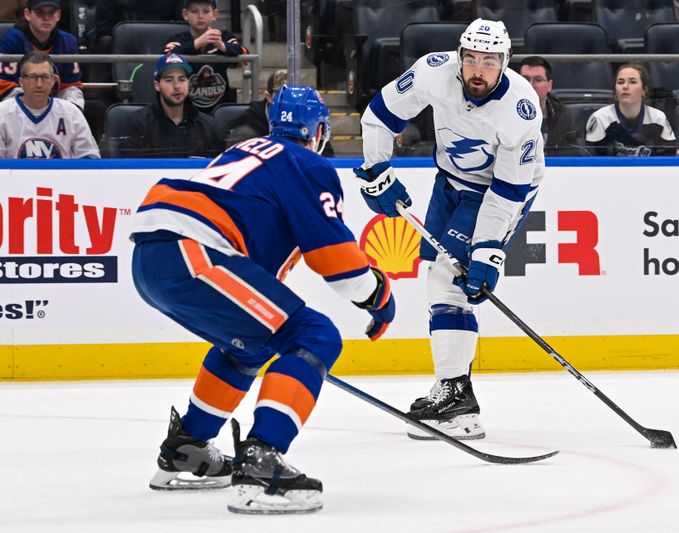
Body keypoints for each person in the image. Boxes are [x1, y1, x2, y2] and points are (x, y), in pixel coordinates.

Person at [131, 85, 395, 514]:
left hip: (152, 256)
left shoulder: (246, 151)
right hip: (193, 250)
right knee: (315, 334)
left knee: (251, 343)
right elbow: (340, 267)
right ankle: (261, 459)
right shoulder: (307, 163)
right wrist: (379, 296)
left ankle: (187, 450)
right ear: (320, 130)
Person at [355, 19, 544, 440]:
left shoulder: (520, 110)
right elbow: (378, 116)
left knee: (450, 282)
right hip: (448, 182)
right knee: (438, 283)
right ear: (460, 56)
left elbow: (507, 192)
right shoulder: (432, 72)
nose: (478, 69)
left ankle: (456, 399)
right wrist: (376, 168)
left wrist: (488, 249)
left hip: (498, 192)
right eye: (471, 58)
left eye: (489, 61)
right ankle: (456, 394)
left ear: (505, 63)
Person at [118, 52, 222, 158]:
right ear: (157, 85)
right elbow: (131, 169)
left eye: (182, 79)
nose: (176, 86)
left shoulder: (208, 125)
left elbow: (217, 167)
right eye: (169, 80)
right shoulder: (137, 123)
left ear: (188, 83)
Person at [0, 50, 99, 158]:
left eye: (45, 77)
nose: (39, 84)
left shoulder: (71, 113)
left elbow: (90, 158)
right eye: (33, 77)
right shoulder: (3, 113)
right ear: (22, 82)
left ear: (52, 81)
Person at [163, 0, 247, 113]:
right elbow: (167, 57)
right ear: (185, 14)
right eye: (194, 11)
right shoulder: (177, 39)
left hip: (219, 108)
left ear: (215, 14)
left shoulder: (224, 37)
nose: (200, 16)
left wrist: (223, 47)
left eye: (206, 11)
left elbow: (245, 55)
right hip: (186, 109)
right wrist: (198, 43)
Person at [0, 0, 84, 110]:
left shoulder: (68, 41)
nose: (46, 18)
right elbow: (3, 84)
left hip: (56, 107)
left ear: (58, 15)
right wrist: (34, 106)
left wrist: (72, 109)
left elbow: (72, 84)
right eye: (40, 13)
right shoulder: (12, 40)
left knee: (94, 108)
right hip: (18, 106)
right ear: (27, 14)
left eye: (51, 13)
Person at [585, 63, 677, 156]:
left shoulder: (658, 118)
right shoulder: (600, 118)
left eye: (632, 82)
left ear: (644, 90)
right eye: (620, 82)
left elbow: (669, 159)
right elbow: (593, 161)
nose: (625, 86)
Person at [518, 55, 580, 156]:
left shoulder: (563, 114)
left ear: (549, 85)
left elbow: (573, 153)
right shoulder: (505, 112)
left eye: (538, 80)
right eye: (525, 79)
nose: (530, 85)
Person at [224, 68, 287, 146]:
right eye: (281, 94)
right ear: (269, 96)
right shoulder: (247, 122)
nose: (288, 99)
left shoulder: (302, 119)